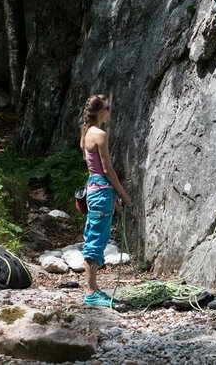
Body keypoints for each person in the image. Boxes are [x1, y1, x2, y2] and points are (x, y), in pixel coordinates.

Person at [78, 94, 132, 307]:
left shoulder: (86, 134)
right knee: (95, 242)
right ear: (101, 112)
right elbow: (108, 170)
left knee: (94, 237)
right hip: (101, 191)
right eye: (108, 108)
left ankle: (94, 290)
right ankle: (91, 293)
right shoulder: (100, 134)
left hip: (95, 189)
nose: (110, 112)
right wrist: (123, 194)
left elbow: (95, 169)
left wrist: (112, 196)